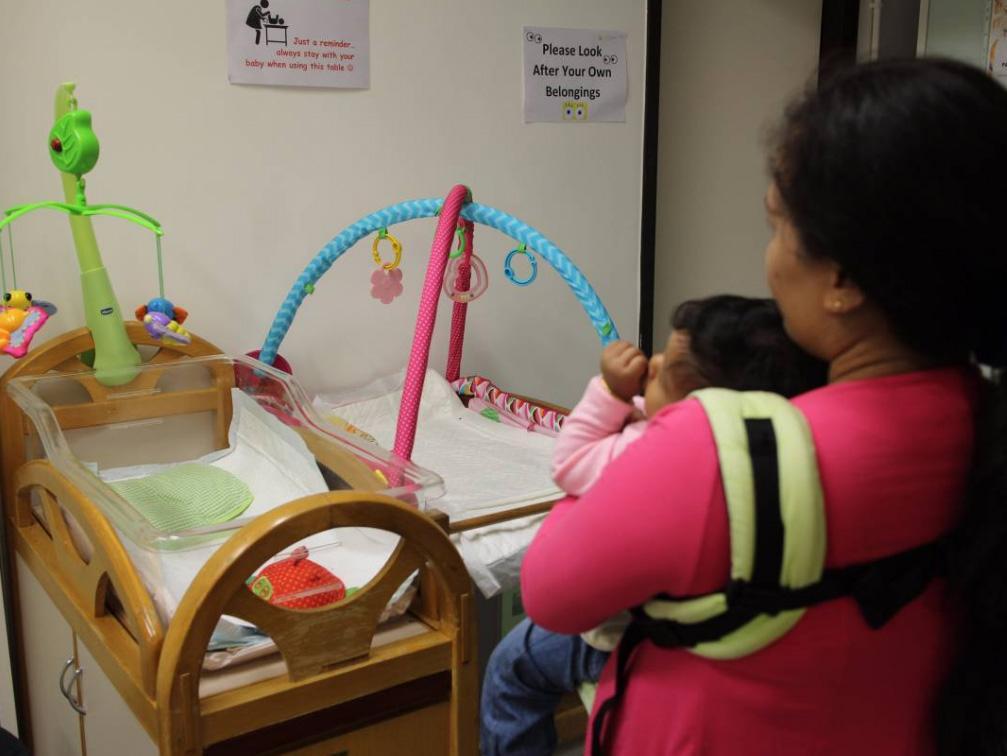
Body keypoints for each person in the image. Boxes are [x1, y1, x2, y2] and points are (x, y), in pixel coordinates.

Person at [511, 58, 1007, 755]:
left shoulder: (718, 453)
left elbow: (550, 592)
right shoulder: (981, 422)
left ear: (840, 279)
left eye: (777, 225)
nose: (770, 260)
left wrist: (627, 446)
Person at [480, 295, 827, 755]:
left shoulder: (652, 455)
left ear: (697, 410)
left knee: (511, 666)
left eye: (665, 372)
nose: (653, 362)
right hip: (734, 624)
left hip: (625, 631)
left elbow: (570, 463)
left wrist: (609, 392)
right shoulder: (784, 445)